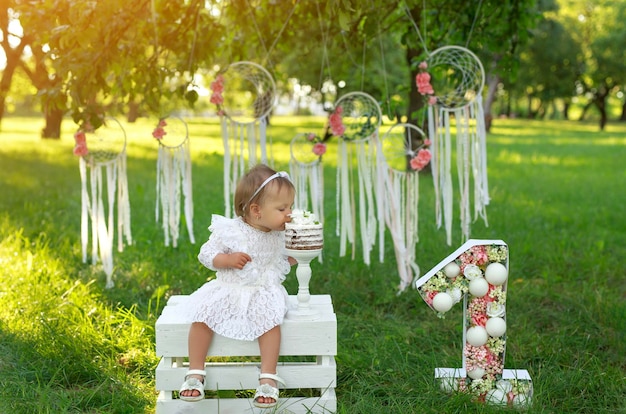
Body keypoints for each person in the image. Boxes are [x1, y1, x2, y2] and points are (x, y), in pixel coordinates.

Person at [179, 164, 296, 408]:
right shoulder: (230, 230)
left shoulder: (277, 234)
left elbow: (279, 260)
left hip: (262, 291)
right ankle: (195, 372)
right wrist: (227, 260)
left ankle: (268, 378)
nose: (289, 213)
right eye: (282, 208)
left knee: (271, 323)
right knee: (202, 317)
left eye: (291, 207)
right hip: (228, 289)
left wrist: (292, 258)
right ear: (256, 210)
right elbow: (206, 253)